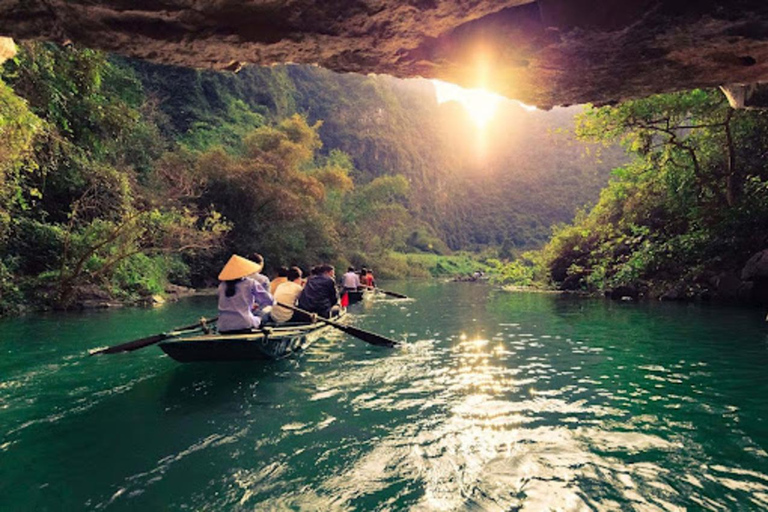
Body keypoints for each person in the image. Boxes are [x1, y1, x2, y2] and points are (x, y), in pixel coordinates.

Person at [216, 254, 273, 333]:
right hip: (244, 324)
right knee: (264, 313)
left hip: (223, 326)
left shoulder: (221, 286)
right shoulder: (250, 283)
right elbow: (269, 301)